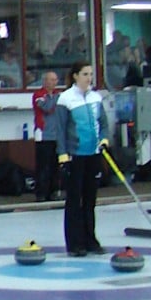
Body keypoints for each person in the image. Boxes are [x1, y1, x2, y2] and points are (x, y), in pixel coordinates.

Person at [55, 61, 109, 257]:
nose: (89, 78)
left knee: (90, 199)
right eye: (85, 74)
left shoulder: (95, 98)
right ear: (76, 76)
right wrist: (63, 155)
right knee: (74, 200)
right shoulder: (65, 99)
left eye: (91, 74)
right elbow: (60, 130)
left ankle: (90, 240)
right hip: (74, 155)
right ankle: (75, 243)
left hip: (93, 154)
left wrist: (104, 139)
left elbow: (103, 123)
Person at [32, 70, 61, 202]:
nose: (54, 82)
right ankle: (41, 193)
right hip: (43, 134)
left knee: (55, 165)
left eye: (55, 80)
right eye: (51, 79)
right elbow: (47, 107)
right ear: (45, 81)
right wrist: (57, 98)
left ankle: (54, 191)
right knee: (43, 165)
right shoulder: (38, 95)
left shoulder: (57, 95)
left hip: (57, 135)